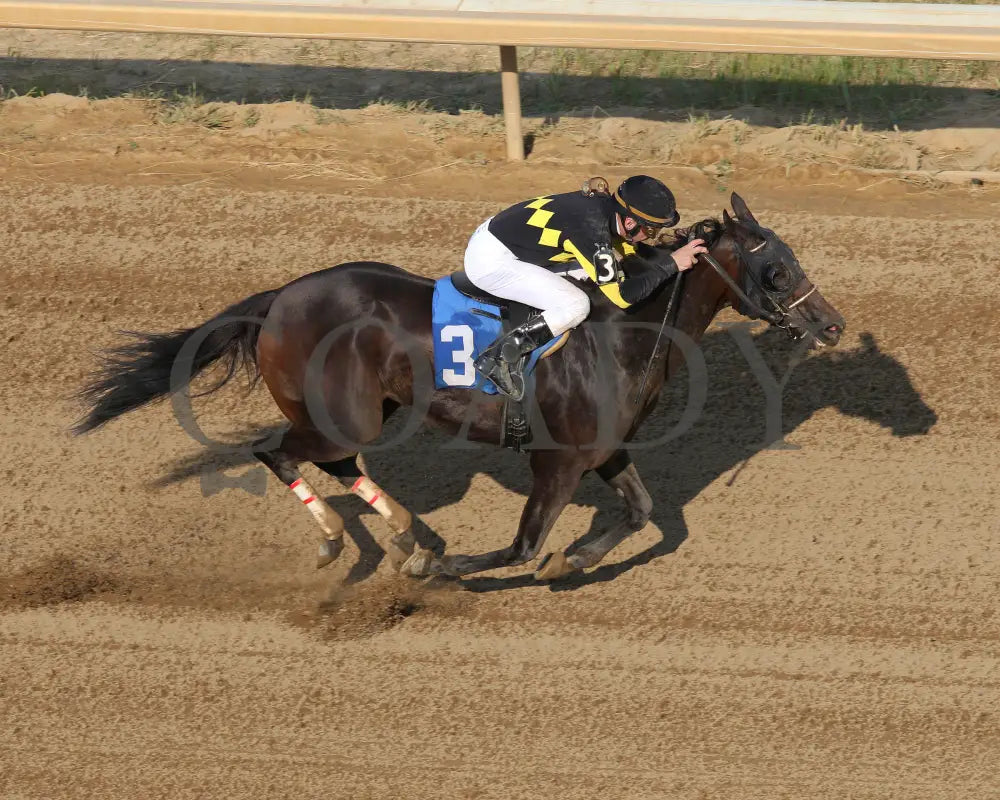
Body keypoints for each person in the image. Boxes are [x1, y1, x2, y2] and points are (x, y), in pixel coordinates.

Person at [464, 174, 708, 399]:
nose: (652, 236)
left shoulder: (607, 210)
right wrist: (671, 265)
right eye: (651, 229)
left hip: (502, 238)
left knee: (591, 279)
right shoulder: (591, 228)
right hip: (491, 262)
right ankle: (499, 356)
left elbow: (631, 252)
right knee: (576, 304)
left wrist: (672, 251)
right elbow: (623, 297)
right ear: (630, 222)